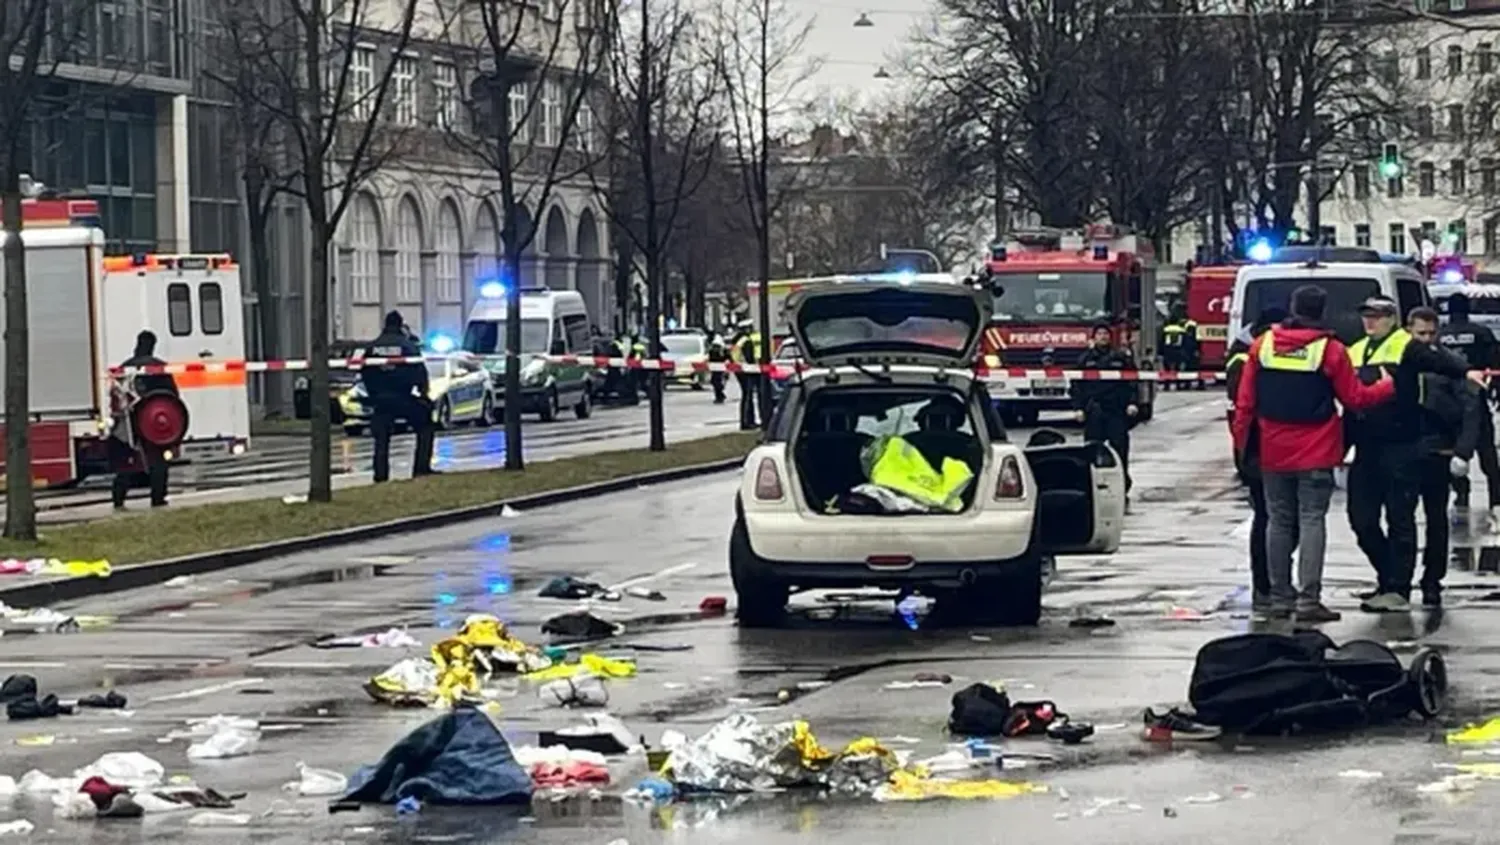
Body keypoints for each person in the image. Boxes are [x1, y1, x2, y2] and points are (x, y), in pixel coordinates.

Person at [1232, 286, 1396, 623]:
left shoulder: (1263, 346)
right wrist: (1387, 386)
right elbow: (1356, 399)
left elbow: (1245, 403)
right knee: (1311, 521)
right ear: (1322, 311)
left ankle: (1279, 597)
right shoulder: (1330, 350)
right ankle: (1309, 600)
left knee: (1277, 522)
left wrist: (1242, 445)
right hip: (1317, 450)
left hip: (1273, 449)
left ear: (1293, 307)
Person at [1345, 295, 1486, 614]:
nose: (1370, 321)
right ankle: (1390, 575)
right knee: (1362, 519)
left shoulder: (1407, 347)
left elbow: (1443, 367)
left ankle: (1404, 586)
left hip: (1407, 446)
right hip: (1367, 448)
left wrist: (1466, 373)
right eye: (1366, 315)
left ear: (1392, 319)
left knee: (1404, 519)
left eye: (1377, 316)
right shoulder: (1355, 350)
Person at [1408, 307, 1483, 609]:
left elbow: (1470, 409)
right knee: (1400, 520)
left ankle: (1431, 581)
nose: (1426, 339)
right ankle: (1396, 580)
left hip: (1439, 451)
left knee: (1436, 519)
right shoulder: (1403, 360)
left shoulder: (1451, 365)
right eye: (1420, 334)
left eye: (1430, 333)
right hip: (1405, 450)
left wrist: (1463, 452)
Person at [1225, 307, 1291, 619]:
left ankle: (1274, 580)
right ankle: (1265, 584)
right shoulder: (1243, 358)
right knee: (1269, 517)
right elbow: (1244, 405)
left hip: (1274, 447)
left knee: (1280, 519)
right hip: (1258, 449)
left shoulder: (1257, 352)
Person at [1437, 292, 1500, 528]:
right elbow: (1496, 362)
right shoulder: (1481, 333)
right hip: (1477, 397)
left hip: (1450, 404)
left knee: (1456, 451)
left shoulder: (1441, 336)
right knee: (1487, 454)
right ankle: (1496, 498)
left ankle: (1462, 494)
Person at [361, 310, 435, 483]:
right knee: (426, 426)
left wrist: (374, 394)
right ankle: (421, 468)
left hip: (380, 400)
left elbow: (365, 372)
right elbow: (420, 373)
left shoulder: (372, 347)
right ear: (400, 325)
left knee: (381, 438)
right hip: (403, 398)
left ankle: (380, 476)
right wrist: (423, 395)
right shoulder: (408, 346)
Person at [111, 330, 177, 510]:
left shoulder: (125, 368)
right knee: (158, 464)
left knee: (127, 464)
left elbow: (115, 395)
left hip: (128, 424)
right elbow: (172, 398)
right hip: (154, 426)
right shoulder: (160, 368)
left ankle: (118, 499)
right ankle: (158, 498)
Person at [1071, 324, 1137, 493]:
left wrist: (1132, 403)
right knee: (1092, 451)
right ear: (1094, 337)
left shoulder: (1121, 358)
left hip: (1116, 410)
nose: (1103, 337)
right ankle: (1093, 486)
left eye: (1105, 334)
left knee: (1120, 451)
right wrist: (1078, 408)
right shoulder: (1085, 360)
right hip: (1095, 411)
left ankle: (1122, 486)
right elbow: (1077, 386)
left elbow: (1132, 382)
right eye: (1099, 334)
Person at [730, 320, 763, 430]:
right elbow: (749, 357)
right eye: (750, 328)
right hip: (746, 370)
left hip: (739, 370)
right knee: (748, 396)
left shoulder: (738, 339)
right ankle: (747, 422)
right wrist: (754, 368)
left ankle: (748, 421)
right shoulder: (746, 340)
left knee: (746, 395)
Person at [1161, 304, 1199, 390]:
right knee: (1178, 369)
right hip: (1178, 351)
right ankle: (1179, 385)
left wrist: (1161, 352)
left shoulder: (1166, 329)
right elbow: (1185, 342)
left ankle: (1167, 385)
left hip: (1168, 351)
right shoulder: (1182, 330)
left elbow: (1162, 341)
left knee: (1167, 368)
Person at [706, 328, 729, 404]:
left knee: (718, 383)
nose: (715, 347)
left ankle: (720, 396)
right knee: (714, 382)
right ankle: (720, 396)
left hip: (721, 370)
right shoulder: (712, 351)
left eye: (717, 346)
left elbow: (727, 358)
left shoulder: (723, 351)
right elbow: (710, 359)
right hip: (714, 369)